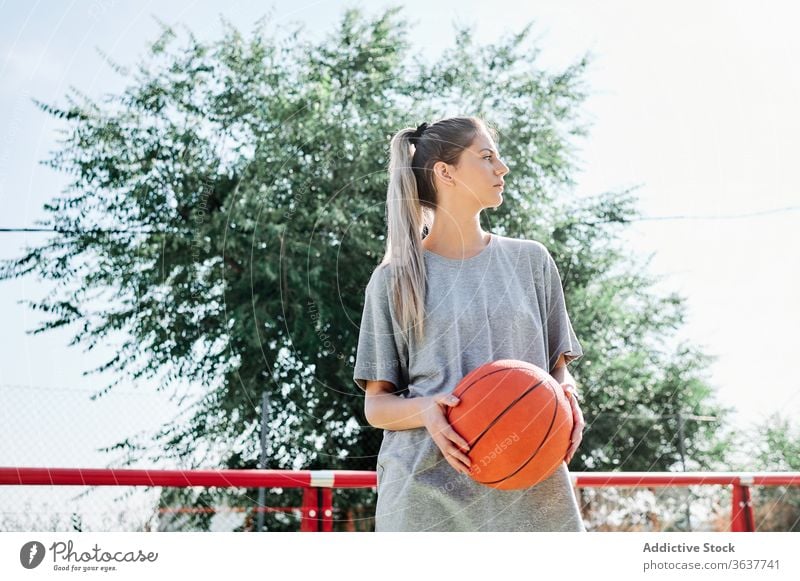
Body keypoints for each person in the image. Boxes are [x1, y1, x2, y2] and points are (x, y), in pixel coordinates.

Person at [352, 115, 587, 532]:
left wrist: (565, 394)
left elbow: (557, 367)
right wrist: (428, 409)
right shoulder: (392, 280)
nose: (503, 168)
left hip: (532, 491)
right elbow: (377, 406)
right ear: (446, 172)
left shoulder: (531, 261)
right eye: (486, 157)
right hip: (427, 498)